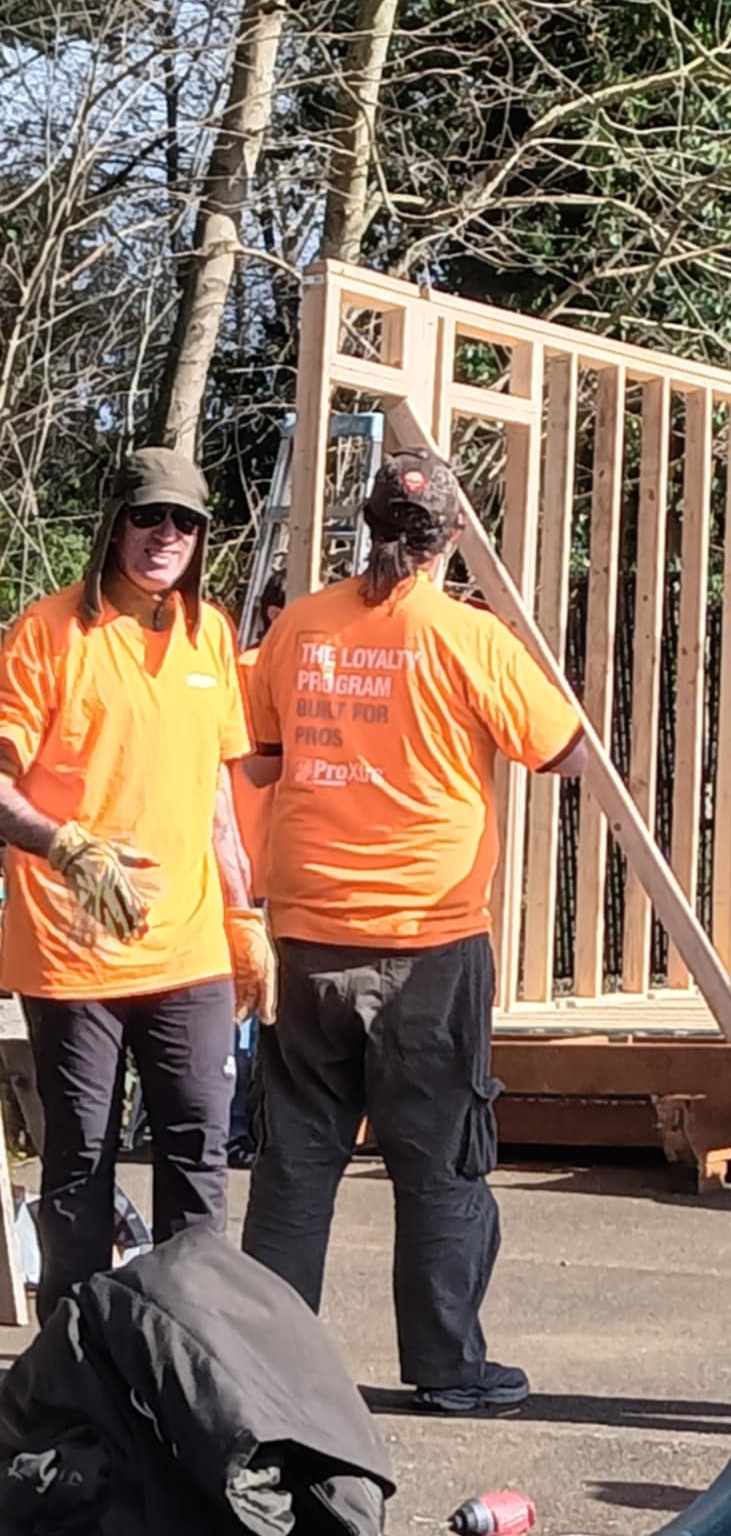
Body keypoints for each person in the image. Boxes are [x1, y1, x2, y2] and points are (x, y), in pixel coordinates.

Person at [240, 450, 588, 1415]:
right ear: (452, 539)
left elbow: (261, 762)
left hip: (309, 932)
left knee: (296, 1162)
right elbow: (563, 751)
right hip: (428, 939)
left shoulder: (299, 627)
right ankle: (446, 1368)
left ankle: (265, 1374)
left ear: (367, 525)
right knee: (439, 1161)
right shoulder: (470, 639)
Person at [0, 449, 273, 1319]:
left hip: (188, 947)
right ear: (115, 523)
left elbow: (218, 798)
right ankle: (78, 1358)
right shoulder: (47, 632)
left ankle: (194, 1341)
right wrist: (64, 845)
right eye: (149, 516)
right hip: (73, 952)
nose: (166, 535)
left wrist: (243, 916)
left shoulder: (209, 634)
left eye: (185, 521)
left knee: (198, 1153)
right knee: (81, 1159)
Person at [227, 568, 287, 1168]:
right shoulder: (251, 674)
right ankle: (235, 1130)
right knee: (245, 1007)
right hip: (253, 867)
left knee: (252, 1007)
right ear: (274, 614)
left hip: (269, 866)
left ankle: (242, 1129)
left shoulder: (249, 671)